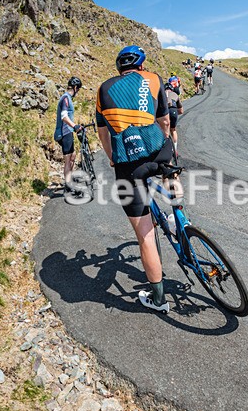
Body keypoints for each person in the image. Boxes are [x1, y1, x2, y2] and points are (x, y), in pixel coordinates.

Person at [96, 45, 173, 313]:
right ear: (141, 65)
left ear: (119, 68)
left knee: (145, 236)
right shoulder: (153, 79)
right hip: (158, 151)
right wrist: (169, 148)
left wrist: (112, 158)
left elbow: (103, 134)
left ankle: (159, 299)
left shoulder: (104, 89)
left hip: (128, 164)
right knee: (169, 167)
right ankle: (179, 215)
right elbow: (164, 121)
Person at [53, 76, 83, 195]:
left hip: (68, 131)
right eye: (78, 89)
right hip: (64, 132)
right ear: (75, 88)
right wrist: (74, 126)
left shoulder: (67, 98)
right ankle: (68, 185)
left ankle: (69, 180)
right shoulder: (65, 98)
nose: (78, 92)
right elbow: (64, 116)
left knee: (72, 156)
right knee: (67, 159)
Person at [165, 81, 183, 155]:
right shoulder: (175, 94)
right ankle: (175, 149)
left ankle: (165, 149)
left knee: (164, 129)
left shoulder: (161, 94)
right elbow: (181, 111)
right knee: (173, 130)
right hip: (173, 110)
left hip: (165, 110)